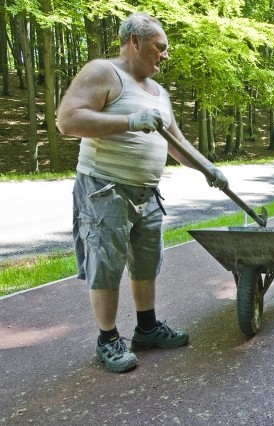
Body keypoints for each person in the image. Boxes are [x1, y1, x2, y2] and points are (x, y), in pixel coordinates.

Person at [56, 12, 228, 373]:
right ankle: (107, 338)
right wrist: (130, 121)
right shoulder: (104, 72)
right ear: (134, 41)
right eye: (159, 47)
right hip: (105, 189)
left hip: (148, 193)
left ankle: (147, 328)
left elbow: (177, 145)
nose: (165, 55)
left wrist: (207, 167)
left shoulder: (159, 92)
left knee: (146, 264)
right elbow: (67, 120)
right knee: (106, 264)